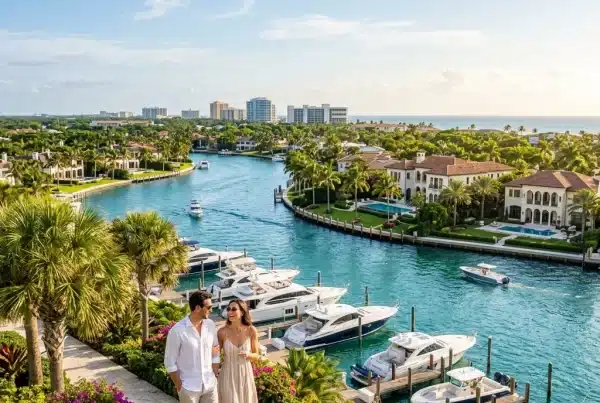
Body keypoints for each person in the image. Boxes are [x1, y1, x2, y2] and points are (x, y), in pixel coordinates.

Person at [164, 290, 220, 403]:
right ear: (198, 308)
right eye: (209, 307)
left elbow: (216, 350)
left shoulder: (210, 325)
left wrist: (214, 372)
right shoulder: (177, 331)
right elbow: (169, 362)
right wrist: (179, 384)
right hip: (189, 388)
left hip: (210, 385)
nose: (211, 310)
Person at [217, 299, 260, 403]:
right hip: (228, 375)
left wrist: (249, 355)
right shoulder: (222, 332)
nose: (230, 312)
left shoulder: (251, 330)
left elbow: (257, 355)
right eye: (228, 309)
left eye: (233, 309)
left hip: (245, 375)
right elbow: (215, 355)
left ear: (242, 312)